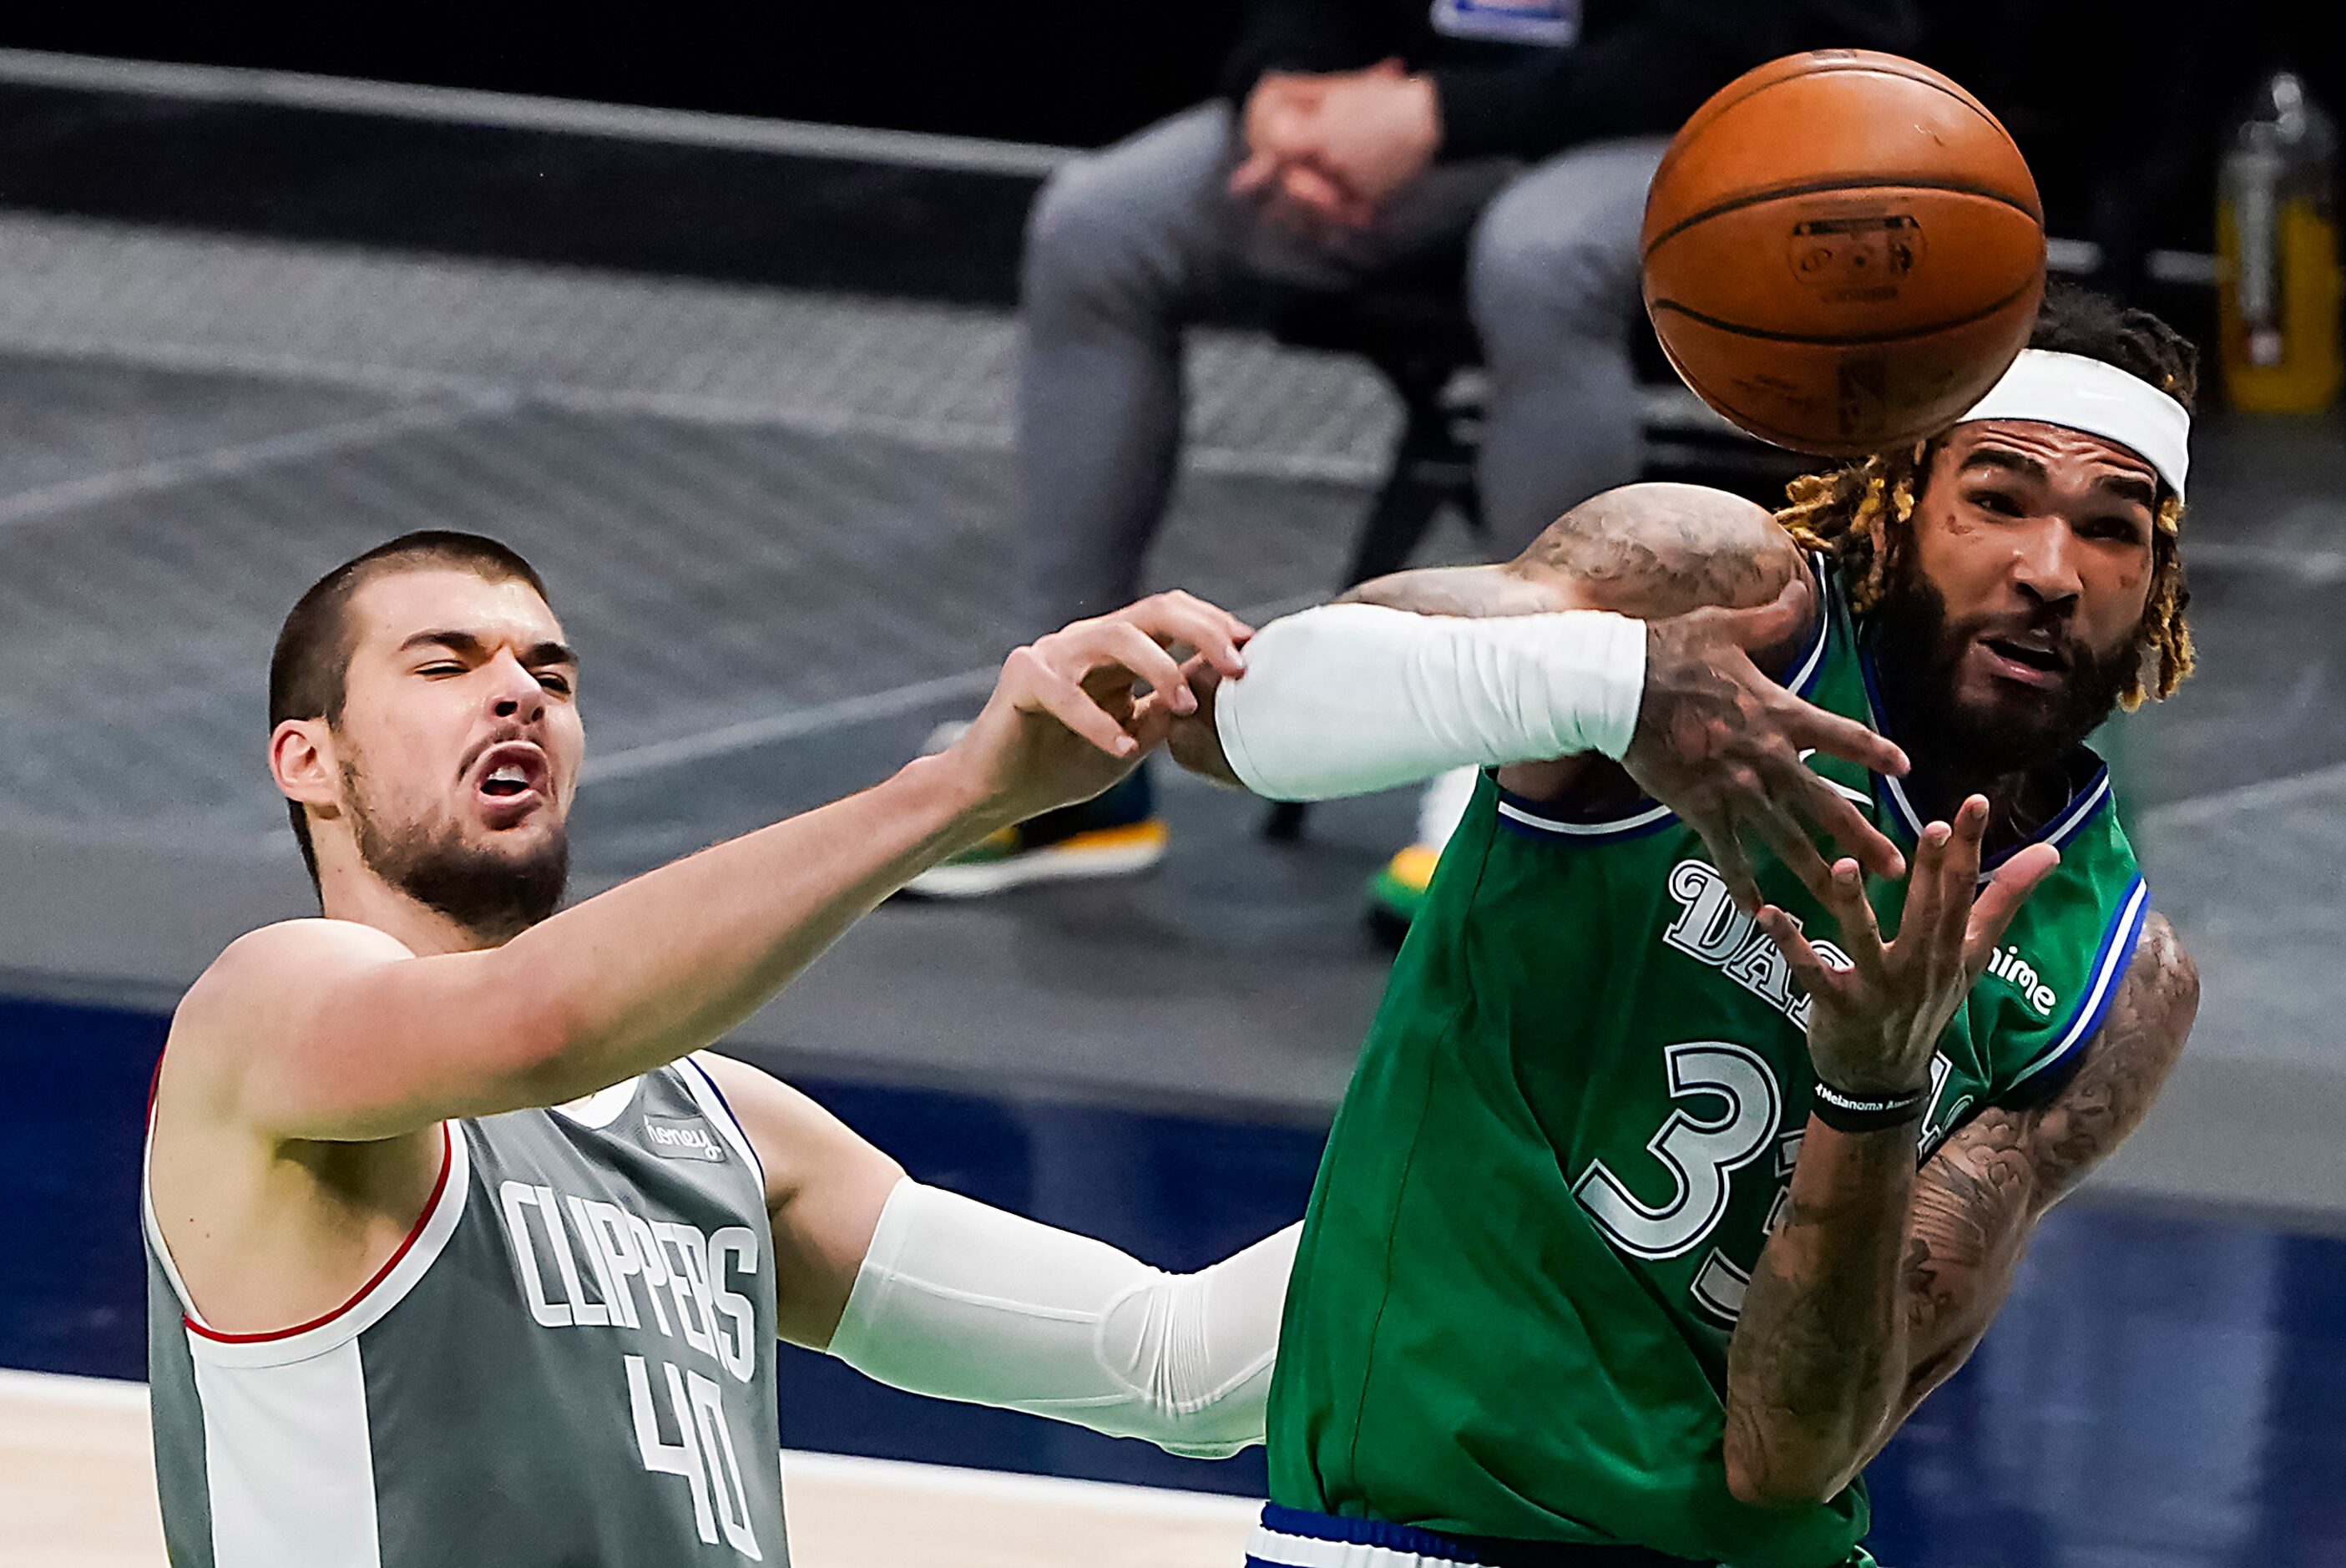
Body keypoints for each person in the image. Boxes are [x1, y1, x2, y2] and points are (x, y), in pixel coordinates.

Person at [1169, 287, 2206, 1566]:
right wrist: (1609, 682)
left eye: (2112, 532)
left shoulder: (2115, 977)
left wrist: (1873, 1089)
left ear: (2156, 584)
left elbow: (1788, 1460)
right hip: (1426, 1526)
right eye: (1996, 499)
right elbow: (1229, 718)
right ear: (1895, 500)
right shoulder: (1710, 597)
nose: (2051, 573)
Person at [141, 538, 1308, 1566]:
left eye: (549, 674)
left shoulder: (724, 1132)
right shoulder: (262, 1017)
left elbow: (1174, 1360)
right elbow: (535, 1022)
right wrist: (960, 792)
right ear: (305, 758)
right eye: (447, 665)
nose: (517, 695)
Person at [908, 0, 1923, 897]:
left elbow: (1716, 42)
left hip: (1699, 130)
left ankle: (1522, 750)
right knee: (1097, 225)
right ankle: (1066, 737)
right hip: (1416, 127)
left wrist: (1438, 116)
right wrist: (1284, 97)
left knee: (1539, 261)